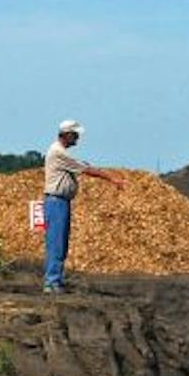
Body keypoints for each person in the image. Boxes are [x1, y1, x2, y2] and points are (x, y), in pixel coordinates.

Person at [42, 120, 122, 292]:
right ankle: (52, 281)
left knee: (60, 242)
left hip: (60, 202)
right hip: (56, 202)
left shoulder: (59, 151)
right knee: (56, 242)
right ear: (67, 134)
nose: (78, 137)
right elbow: (85, 168)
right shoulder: (59, 153)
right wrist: (111, 178)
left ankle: (55, 280)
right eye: (75, 134)